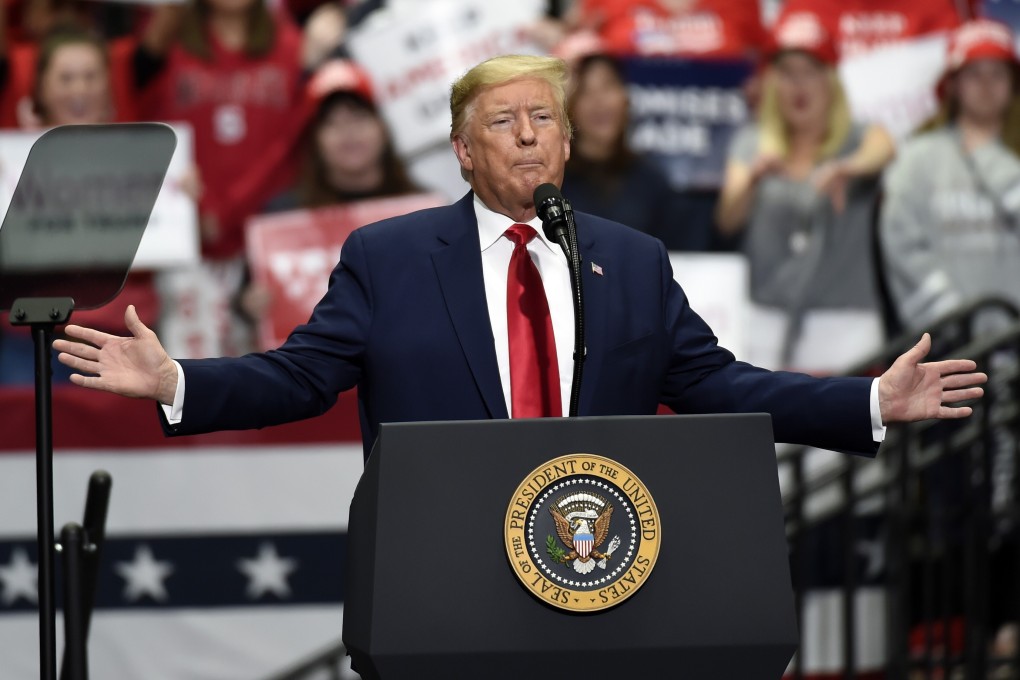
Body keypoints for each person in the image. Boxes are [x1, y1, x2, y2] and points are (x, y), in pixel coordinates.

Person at [52, 54, 985, 460]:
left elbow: (718, 386)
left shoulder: (631, 258)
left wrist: (865, 400)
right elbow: (300, 377)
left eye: (546, 120)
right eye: (504, 122)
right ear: (464, 151)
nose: (529, 136)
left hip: (597, 567)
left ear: (569, 145)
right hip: (442, 576)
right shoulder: (389, 256)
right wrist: (180, 380)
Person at [716, 10, 895, 372]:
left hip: (845, 320)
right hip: (766, 318)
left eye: (810, 72)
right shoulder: (752, 142)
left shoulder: (858, 137)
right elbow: (726, 221)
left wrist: (847, 168)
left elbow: (886, 148)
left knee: (849, 424)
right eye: (787, 74)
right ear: (771, 83)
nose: (799, 86)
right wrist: (753, 179)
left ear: (831, 81)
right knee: (767, 425)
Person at [880, 18, 1020, 331]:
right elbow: (901, 243)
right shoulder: (918, 159)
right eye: (974, 73)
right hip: (949, 347)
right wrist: (953, 322)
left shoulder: (1012, 156)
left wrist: (987, 155)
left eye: (997, 73)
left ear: (1013, 83)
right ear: (953, 85)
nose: (986, 85)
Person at [560, 53, 695, 249]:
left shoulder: (652, 182)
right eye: (585, 92)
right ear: (569, 107)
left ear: (626, 99)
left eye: (607, 87)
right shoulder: (555, 181)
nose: (599, 102)